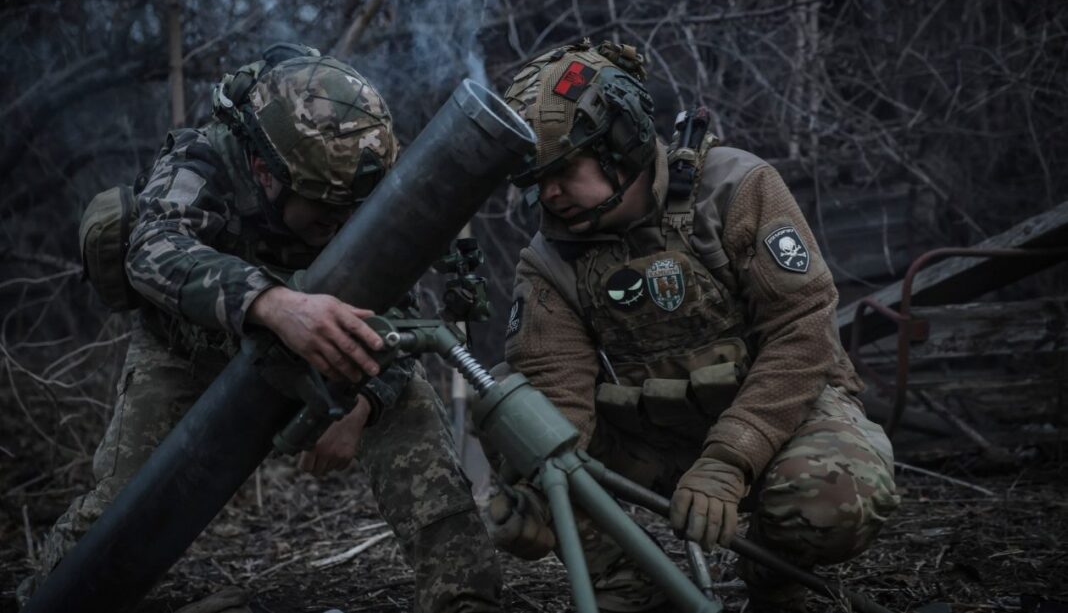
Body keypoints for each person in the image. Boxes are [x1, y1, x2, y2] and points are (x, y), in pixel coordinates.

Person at [17, 44, 501, 613]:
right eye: (325, 209)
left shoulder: (356, 180)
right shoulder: (204, 160)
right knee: (124, 508)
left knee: (413, 419)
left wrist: (367, 401)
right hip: (190, 355)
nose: (343, 222)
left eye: (355, 207)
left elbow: (401, 304)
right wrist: (274, 304)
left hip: (328, 350)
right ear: (265, 172)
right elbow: (152, 250)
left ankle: (464, 599)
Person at [487, 39, 900, 612]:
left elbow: (803, 334)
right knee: (512, 407)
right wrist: (542, 492)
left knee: (833, 494)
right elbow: (558, 399)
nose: (549, 193)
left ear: (621, 142)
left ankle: (774, 578)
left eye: (562, 170)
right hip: (650, 441)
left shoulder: (734, 189)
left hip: (779, 416)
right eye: (537, 179)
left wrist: (731, 458)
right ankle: (631, 585)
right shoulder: (548, 260)